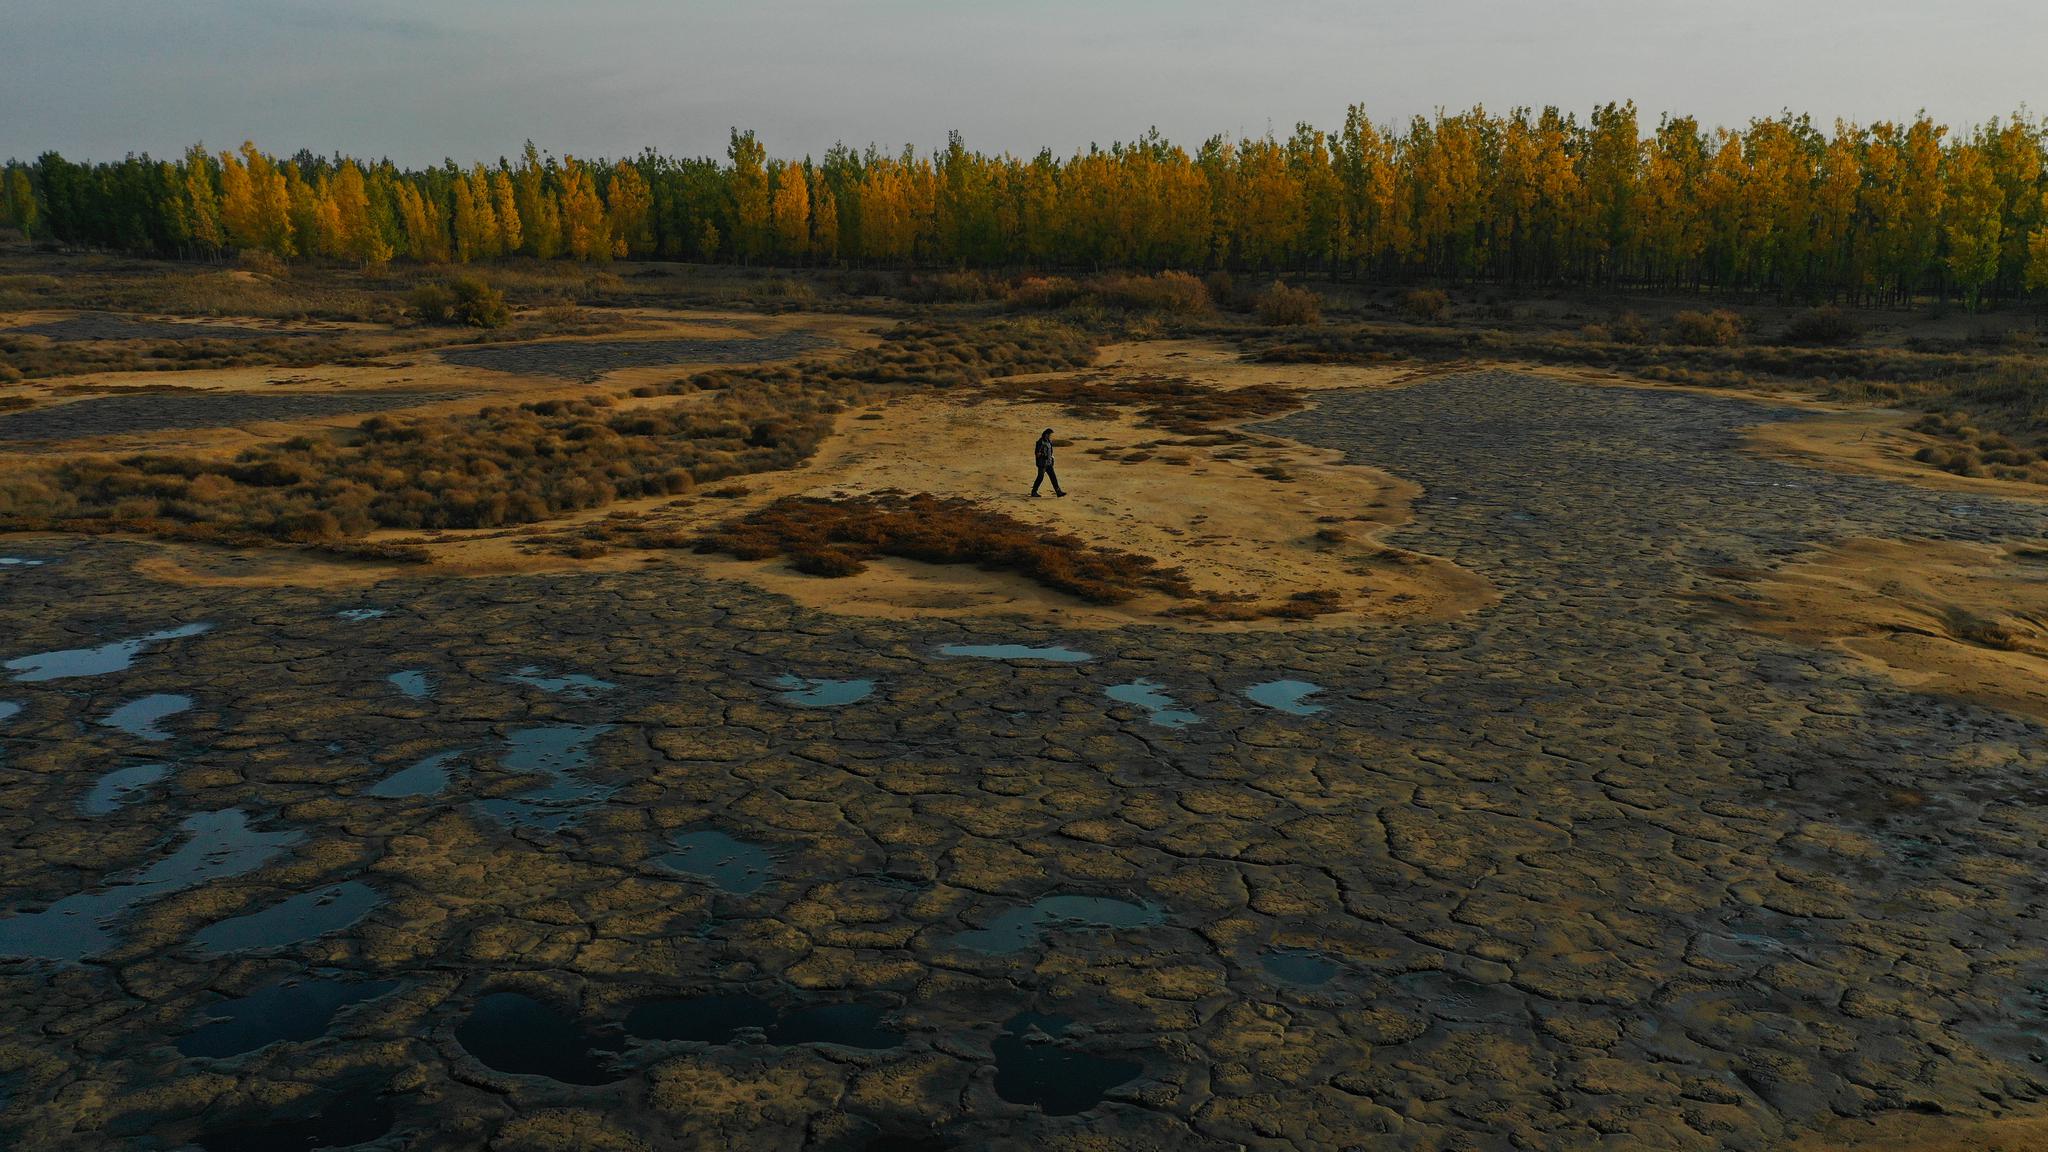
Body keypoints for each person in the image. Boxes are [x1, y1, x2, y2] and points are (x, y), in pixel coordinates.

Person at [1031, 428, 1066, 497]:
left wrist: (1051, 458)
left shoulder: (1049, 441)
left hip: (1049, 463)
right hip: (1042, 464)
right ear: (1046, 434)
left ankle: (1058, 492)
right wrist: (1044, 455)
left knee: (1053, 478)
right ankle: (1034, 492)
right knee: (1040, 478)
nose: (1050, 436)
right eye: (1050, 434)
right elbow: (1037, 453)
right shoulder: (1040, 442)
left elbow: (1050, 452)